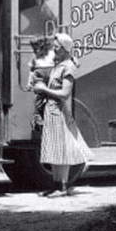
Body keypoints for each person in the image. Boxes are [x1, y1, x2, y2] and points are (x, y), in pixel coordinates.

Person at [31, 33, 94, 197]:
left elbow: (65, 93)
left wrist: (43, 89)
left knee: (61, 150)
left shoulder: (68, 67)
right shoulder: (59, 65)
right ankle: (56, 184)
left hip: (58, 110)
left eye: (57, 47)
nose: (54, 49)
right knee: (53, 149)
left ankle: (62, 186)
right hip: (51, 111)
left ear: (65, 49)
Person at [26, 36, 56, 133]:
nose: (35, 51)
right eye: (33, 49)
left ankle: (53, 116)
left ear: (44, 47)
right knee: (39, 96)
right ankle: (38, 116)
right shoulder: (35, 58)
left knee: (53, 96)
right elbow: (31, 71)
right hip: (40, 76)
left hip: (52, 75)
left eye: (36, 49)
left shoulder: (52, 54)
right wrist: (29, 82)